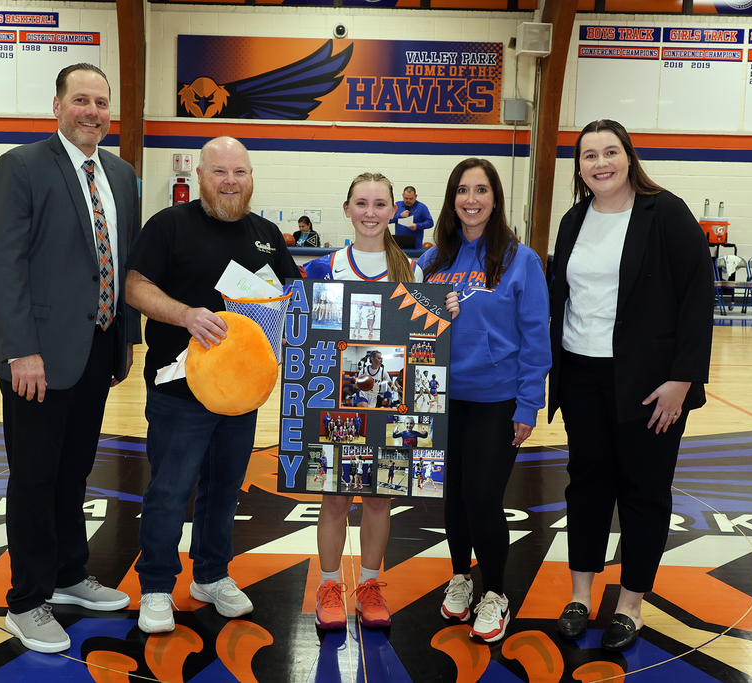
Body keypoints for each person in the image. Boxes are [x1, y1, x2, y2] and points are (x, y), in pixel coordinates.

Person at [0, 63, 141, 654]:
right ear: (57, 105)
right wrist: (21, 349)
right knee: (34, 477)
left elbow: (122, 264)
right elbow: (4, 265)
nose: (93, 111)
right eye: (81, 100)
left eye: (102, 102)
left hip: (97, 350)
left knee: (74, 472)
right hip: (37, 358)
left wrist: (125, 339)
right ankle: (26, 601)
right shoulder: (20, 167)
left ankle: (71, 575)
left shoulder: (122, 175)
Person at [548, 119, 713, 651]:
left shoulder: (665, 211)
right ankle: (579, 595)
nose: (600, 163)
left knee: (643, 492)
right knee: (587, 485)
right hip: (581, 374)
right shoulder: (574, 219)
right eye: (589, 154)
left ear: (628, 156)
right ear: (579, 167)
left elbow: (697, 298)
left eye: (610, 152)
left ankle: (630, 604)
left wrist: (681, 380)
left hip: (650, 384)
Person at [125, 135, 299, 633]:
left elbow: (292, 297)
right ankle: (157, 585)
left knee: (224, 489)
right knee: (170, 489)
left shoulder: (266, 234)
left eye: (239, 172)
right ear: (199, 176)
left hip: (241, 396)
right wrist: (186, 315)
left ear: (250, 178)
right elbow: (135, 287)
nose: (230, 182)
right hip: (178, 392)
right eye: (219, 172)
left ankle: (211, 574)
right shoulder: (168, 226)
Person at [418, 157, 550, 644]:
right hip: (442, 399)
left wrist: (528, 406)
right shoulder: (431, 261)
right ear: (452, 199)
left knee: (482, 498)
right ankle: (460, 577)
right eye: (462, 190)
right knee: (453, 496)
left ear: (495, 199)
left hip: (497, 400)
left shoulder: (522, 260)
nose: (471, 199)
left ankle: (495, 592)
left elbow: (537, 337)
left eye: (481, 190)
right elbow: (413, 333)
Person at [301, 172, 423, 631]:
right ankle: (329, 586)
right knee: (334, 499)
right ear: (348, 209)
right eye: (362, 203)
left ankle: (369, 587)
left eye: (379, 204)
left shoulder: (415, 272)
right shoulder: (321, 268)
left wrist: (445, 310)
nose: (371, 212)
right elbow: (302, 337)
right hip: (336, 403)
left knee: (378, 499)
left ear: (394, 211)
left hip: (391, 405)